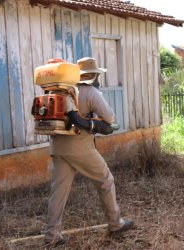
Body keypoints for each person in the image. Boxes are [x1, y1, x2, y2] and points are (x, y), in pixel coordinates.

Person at [45, 57, 134, 246]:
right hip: (80, 147)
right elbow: (109, 117)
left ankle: (52, 236)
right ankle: (116, 224)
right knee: (106, 180)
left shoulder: (60, 90)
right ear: (93, 75)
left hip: (57, 147)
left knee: (58, 193)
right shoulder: (89, 90)